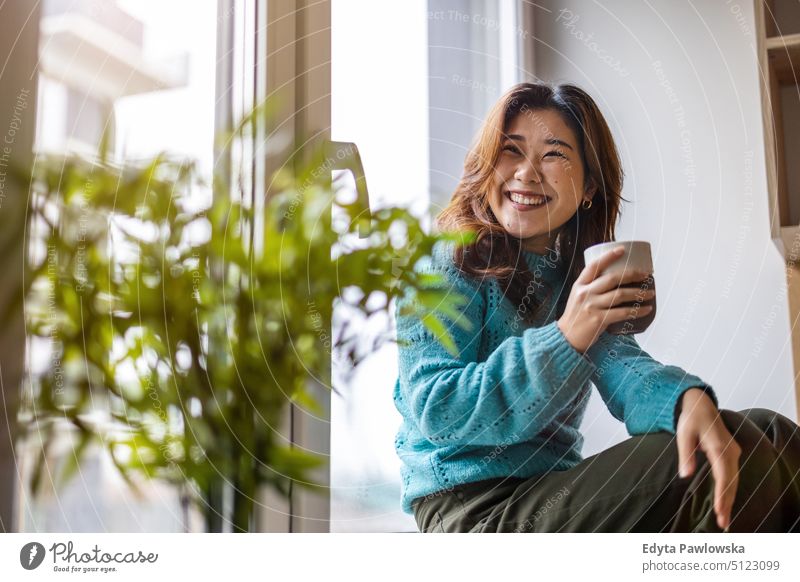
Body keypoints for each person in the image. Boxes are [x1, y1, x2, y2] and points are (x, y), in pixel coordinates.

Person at [393, 82, 800, 533]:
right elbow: (438, 409)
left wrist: (684, 398)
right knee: (702, 458)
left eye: (553, 154)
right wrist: (565, 336)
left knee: (775, 437)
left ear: (588, 184)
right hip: (469, 511)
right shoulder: (445, 260)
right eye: (511, 150)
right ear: (487, 164)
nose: (526, 173)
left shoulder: (575, 280)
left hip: (553, 489)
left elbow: (623, 367)